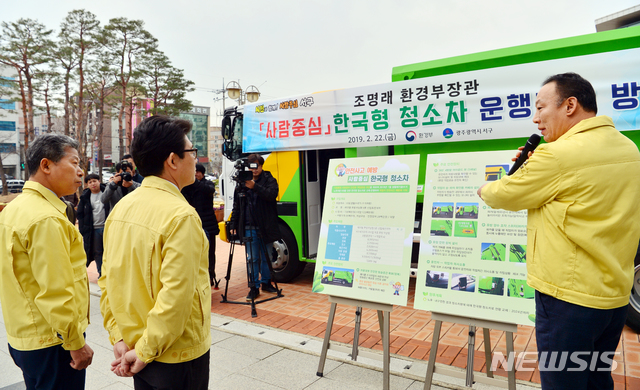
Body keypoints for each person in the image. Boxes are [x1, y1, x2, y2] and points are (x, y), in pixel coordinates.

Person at [478, 72, 640, 389]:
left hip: (568, 299)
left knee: (563, 382)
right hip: (615, 296)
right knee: (596, 377)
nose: (536, 119)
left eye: (540, 108)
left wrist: (486, 188)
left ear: (570, 105)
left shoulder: (556, 155)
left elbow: (505, 194)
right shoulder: (628, 148)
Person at [99, 115, 211, 389]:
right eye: (191, 152)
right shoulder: (181, 215)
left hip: (134, 346)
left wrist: (119, 337)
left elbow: (107, 280)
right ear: (173, 160)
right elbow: (176, 296)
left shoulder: (122, 208)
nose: (195, 159)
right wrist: (147, 349)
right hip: (175, 353)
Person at [0, 134, 94, 389]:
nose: (80, 172)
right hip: (54, 341)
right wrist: (75, 343)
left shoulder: (14, 209)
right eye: (74, 163)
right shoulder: (45, 218)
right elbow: (55, 293)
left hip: (24, 336)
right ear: (46, 166)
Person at [230, 153, 281, 301]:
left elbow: (272, 195)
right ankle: (253, 287)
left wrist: (255, 187)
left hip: (266, 225)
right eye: (251, 166)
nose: (254, 169)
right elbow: (236, 206)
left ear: (261, 166)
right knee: (252, 258)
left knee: (267, 257)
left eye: (257, 166)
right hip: (249, 225)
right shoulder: (241, 184)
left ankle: (266, 282)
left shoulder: (269, 180)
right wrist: (233, 224)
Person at [182, 163, 221, 286]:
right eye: (194, 171)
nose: (195, 174)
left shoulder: (207, 184)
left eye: (197, 172)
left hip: (208, 224)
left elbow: (209, 190)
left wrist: (194, 182)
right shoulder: (187, 187)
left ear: (203, 173)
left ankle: (211, 275)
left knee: (210, 253)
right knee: (195, 253)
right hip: (193, 224)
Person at [77, 173, 110, 278]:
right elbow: (80, 214)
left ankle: (109, 271)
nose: (93, 184)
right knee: (97, 252)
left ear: (99, 181)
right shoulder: (85, 197)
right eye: (90, 182)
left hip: (107, 228)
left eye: (94, 181)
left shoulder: (107, 192)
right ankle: (101, 272)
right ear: (87, 185)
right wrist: (83, 229)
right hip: (93, 230)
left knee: (109, 251)